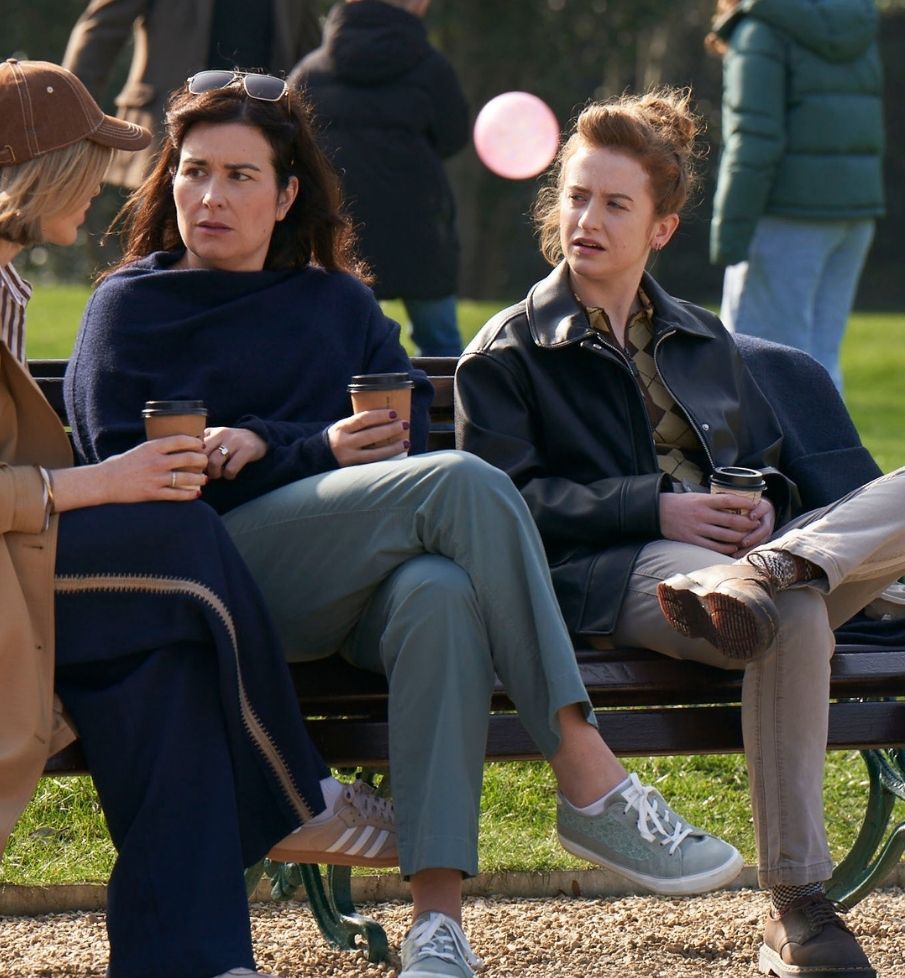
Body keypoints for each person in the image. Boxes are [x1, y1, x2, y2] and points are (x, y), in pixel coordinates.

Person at [64, 71, 744, 978]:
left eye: (239, 176)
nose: (210, 197)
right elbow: (130, 481)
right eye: (193, 172)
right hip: (217, 583)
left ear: (288, 193)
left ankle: (437, 927)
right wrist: (297, 451)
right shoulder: (131, 307)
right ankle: (585, 770)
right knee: (462, 485)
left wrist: (300, 446)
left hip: (348, 583)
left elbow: (404, 431)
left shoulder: (335, 301)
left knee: (440, 592)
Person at [0, 59, 395, 978]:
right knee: (182, 541)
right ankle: (299, 792)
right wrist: (104, 485)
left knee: (168, 658)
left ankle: (191, 960)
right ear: (49, 176)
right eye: (94, 161)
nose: (117, 182)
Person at [455, 89, 905, 978]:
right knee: (800, 617)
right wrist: (653, 507)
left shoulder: (704, 339)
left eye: (615, 203)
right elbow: (500, 504)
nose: (587, 218)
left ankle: (781, 568)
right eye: (577, 197)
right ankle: (798, 907)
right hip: (625, 571)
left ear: (661, 227)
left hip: (745, 567)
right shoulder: (506, 353)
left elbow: (761, 461)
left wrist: (763, 510)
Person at [707, 0, 884, 394]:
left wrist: (730, 232)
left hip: (785, 215)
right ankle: (829, 456)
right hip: (853, 214)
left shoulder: (761, 30)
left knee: (759, 367)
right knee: (820, 366)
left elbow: (753, 140)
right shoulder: (854, 20)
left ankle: (769, 460)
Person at [289, 0, 468, 357]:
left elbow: (291, 146)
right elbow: (454, 136)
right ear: (416, 5)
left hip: (338, 232)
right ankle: (449, 414)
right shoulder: (433, 69)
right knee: (441, 348)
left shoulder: (310, 72)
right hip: (420, 234)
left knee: (342, 345)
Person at [62, 0, 322, 188]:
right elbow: (99, 33)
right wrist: (69, 130)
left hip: (264, 143)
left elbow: (311, 59)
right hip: (168, 135)